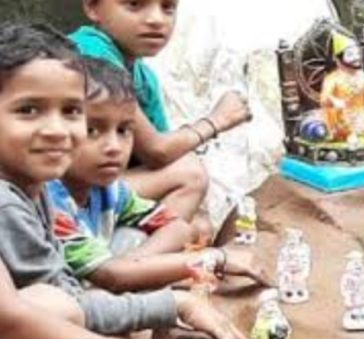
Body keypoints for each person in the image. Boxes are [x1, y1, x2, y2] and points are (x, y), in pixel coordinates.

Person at [0, 22, 252, 339]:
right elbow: (18, 323)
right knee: (47, 313)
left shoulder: (34, 188)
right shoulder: (6, 203)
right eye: (28, 110)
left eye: (71, 111)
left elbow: (70, 303)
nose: (56, 129)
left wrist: (174, 303)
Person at [47, 57, 268, 293]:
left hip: (102, 280)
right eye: (91, 130)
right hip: (59, 306)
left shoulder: (109, 191)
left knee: (139, 241)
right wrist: (215, 258)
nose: (114, 146)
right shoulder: (49, 204)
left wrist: (133, 267)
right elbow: (111, 276)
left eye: (123, 131)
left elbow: (178, 227)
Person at [71, 0, 253, 238]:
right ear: (92, 7)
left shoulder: (145, 77)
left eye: (168, 8)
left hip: (107, 187)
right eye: (134, 4)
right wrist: (216, 121)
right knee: (190, 175)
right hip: (67, 192)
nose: (156, 20)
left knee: (200, 227)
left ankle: (141, 248)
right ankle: (137, 256)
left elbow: (166, 155)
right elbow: (158, 152)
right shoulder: (88, 53)